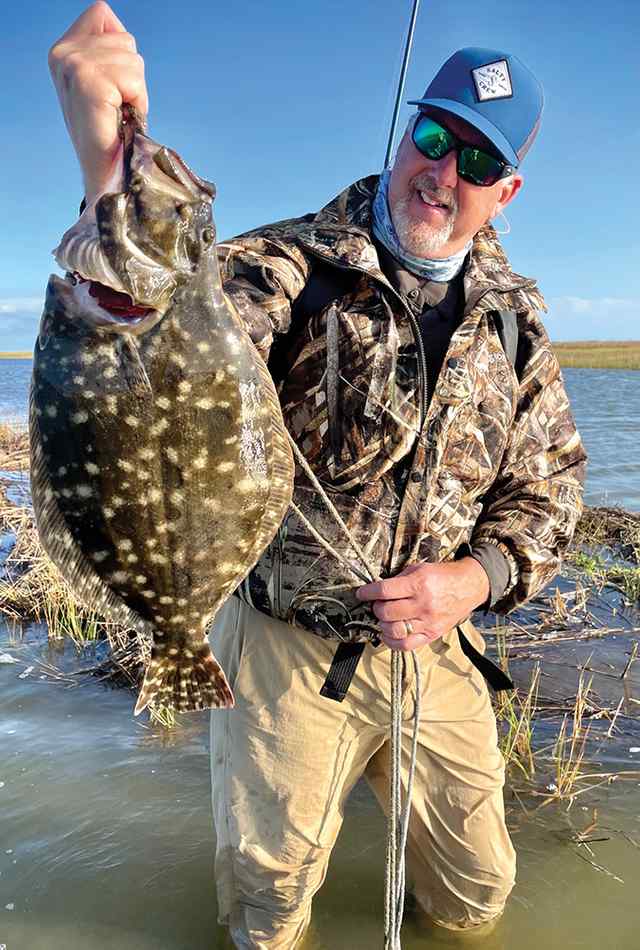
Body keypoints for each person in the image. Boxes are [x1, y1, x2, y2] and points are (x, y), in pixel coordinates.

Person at [49, 3, 587, 947]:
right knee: (270, 904)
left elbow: (550, 492)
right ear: (405, 137)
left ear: (506, 191)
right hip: (285, 647)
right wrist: (109, 172)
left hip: (438, 651)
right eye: (434, 137)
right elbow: (159, 324)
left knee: (478, 894)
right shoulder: (286, 266)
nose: (443, 172)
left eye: (477, 161)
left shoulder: (516, 323)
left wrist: (475, 580)